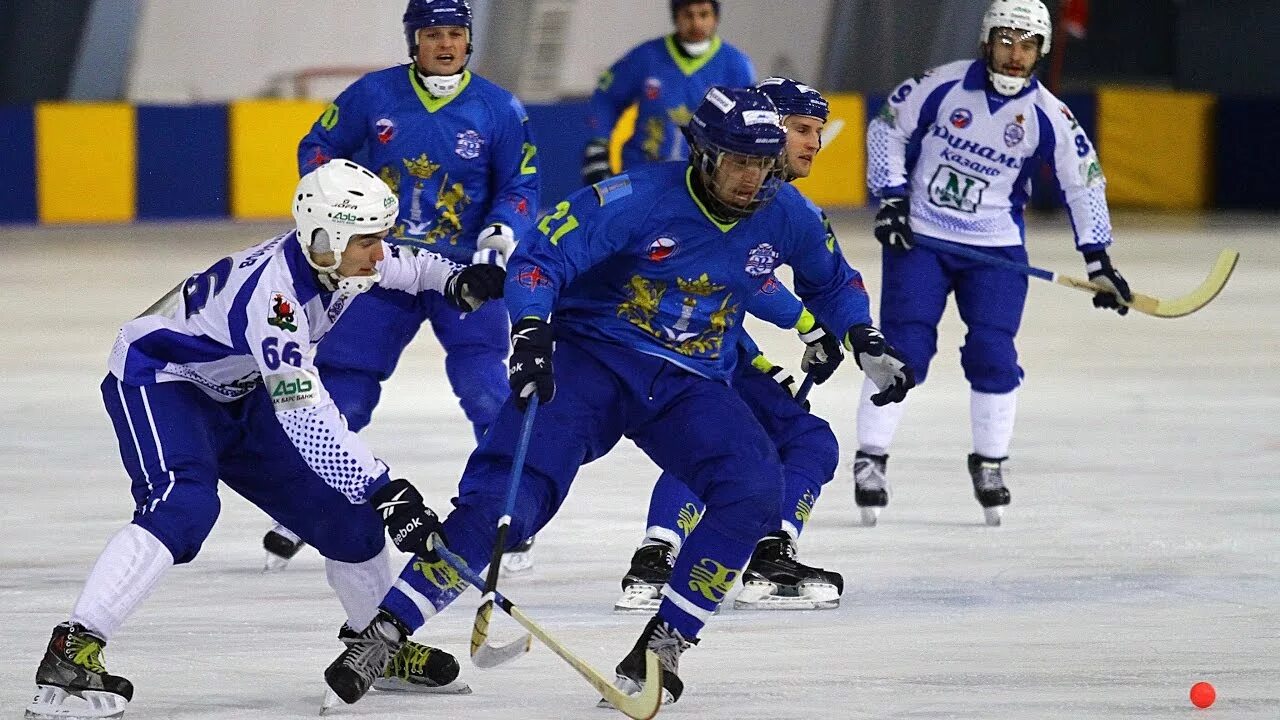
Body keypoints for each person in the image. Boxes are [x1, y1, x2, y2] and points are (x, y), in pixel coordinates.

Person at [320, 87, 914, 709]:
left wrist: (863, 335)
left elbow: (833, 281)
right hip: (591, 364)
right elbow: (538, 258)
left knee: (754, 487)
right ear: (704, 155)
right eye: (738, 161)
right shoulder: (634, 197)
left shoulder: (789, 213)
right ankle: (385, 633)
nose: (752, 177)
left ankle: (665, 643)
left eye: (764, 163)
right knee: (504, 502)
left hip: (691, 382)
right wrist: (529, 331)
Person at [24, 160, 506, 719]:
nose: (379, 254)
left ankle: (376, 646)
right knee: (183, 505)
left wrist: (455, 278)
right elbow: (306, 418)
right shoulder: (274, 300)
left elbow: (410, 266)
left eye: (380, 239)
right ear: (327, 240)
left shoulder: (341, 259)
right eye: (368, 242)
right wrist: (384, 487)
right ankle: (73, 650)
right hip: (160, 382)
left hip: (239, 390)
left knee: (348, 522)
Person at [263, 0, 540, 574]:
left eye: (456, 34)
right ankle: (303, 504)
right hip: (378, 262)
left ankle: (506, 510)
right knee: (346, 387)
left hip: (462, 270)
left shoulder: (498, 108)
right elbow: (317, 148)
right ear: (413, 41)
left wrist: (499, 234)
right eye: (433, 33)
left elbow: (521, 182)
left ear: (469, 42)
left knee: (486, 387)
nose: (445, 44)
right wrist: (335, 202)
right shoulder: (373, 94)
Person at [854, 0, 1131, 527]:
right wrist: (891, 199)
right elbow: (887, 125)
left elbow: (1085, 183)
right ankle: (872, 456)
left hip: (997, 250)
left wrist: (1097, 259)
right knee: (904, 349)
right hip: (923, 239)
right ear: (986, 41)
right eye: (1006, 41)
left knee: (993, 354)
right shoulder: (943, 84)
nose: (1014, 55)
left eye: (1027, 46)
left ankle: (991, 463)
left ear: (1041, 53)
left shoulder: (1048, 114)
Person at [614, 77, 852, 613]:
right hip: (667, 346)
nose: (813, 143)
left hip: (706, 345)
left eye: (817, 131)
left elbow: (729, 289)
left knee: (736, 442)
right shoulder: (743, 188)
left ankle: (661, 555)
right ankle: (766, 555)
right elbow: (724, 275)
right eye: (801, 130)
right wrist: (807, 323)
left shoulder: (766, 194)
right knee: (738, 441)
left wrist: (766, 358)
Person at [581, 0, 754, 186]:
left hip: (705, 181)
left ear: (716, 18)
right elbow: (605, 98)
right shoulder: (645, 57)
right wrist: (597, 146)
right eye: (688, 15)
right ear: (675, 17)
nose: (696, 23)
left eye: (704, 15)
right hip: (642, 173)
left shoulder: (736, 66)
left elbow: (747, 125)